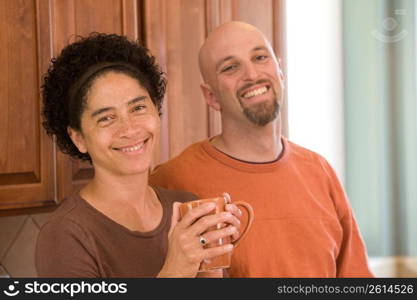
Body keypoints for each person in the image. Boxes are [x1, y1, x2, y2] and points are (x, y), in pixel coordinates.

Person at [149, 21, 373, 277]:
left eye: (260, 57)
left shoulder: (320, 172)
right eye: (231, 67)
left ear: (280, 71)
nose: (252, 74)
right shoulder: (171, 181)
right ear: (210, 96)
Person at [36, 33, 242, 278]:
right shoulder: (66, 235)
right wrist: (177, 268)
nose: (130, 129)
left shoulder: (186, 208)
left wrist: (213, 265)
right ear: (78, 137)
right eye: (106, 118)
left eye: (138, 108)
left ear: (157, 111)